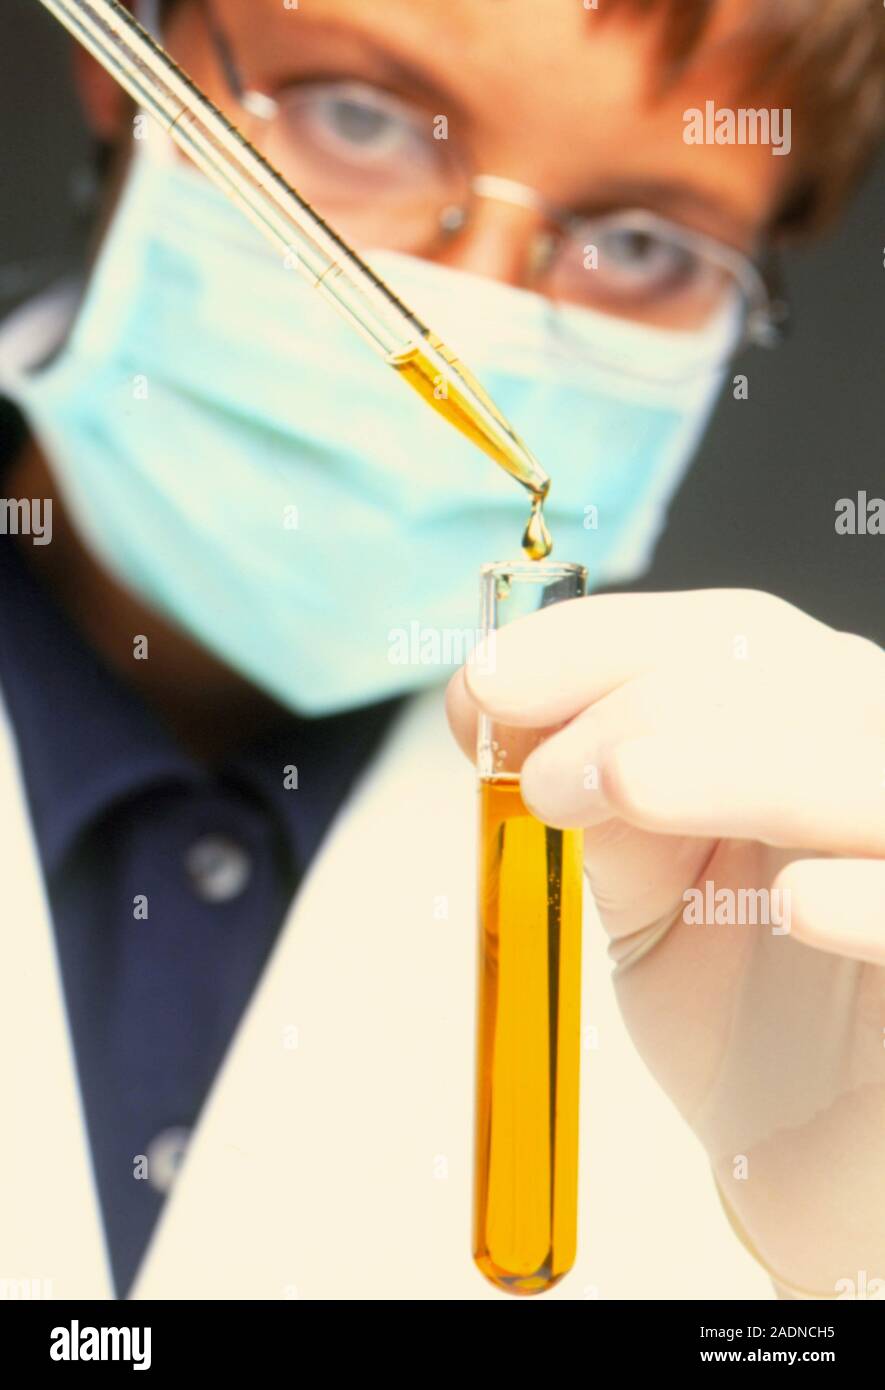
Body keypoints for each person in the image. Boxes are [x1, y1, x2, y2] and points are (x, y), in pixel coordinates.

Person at [0, 0, 882, 1300]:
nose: (465, 322)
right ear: (115, 49)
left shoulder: (770, 932)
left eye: (639, 243)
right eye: (359, 116)